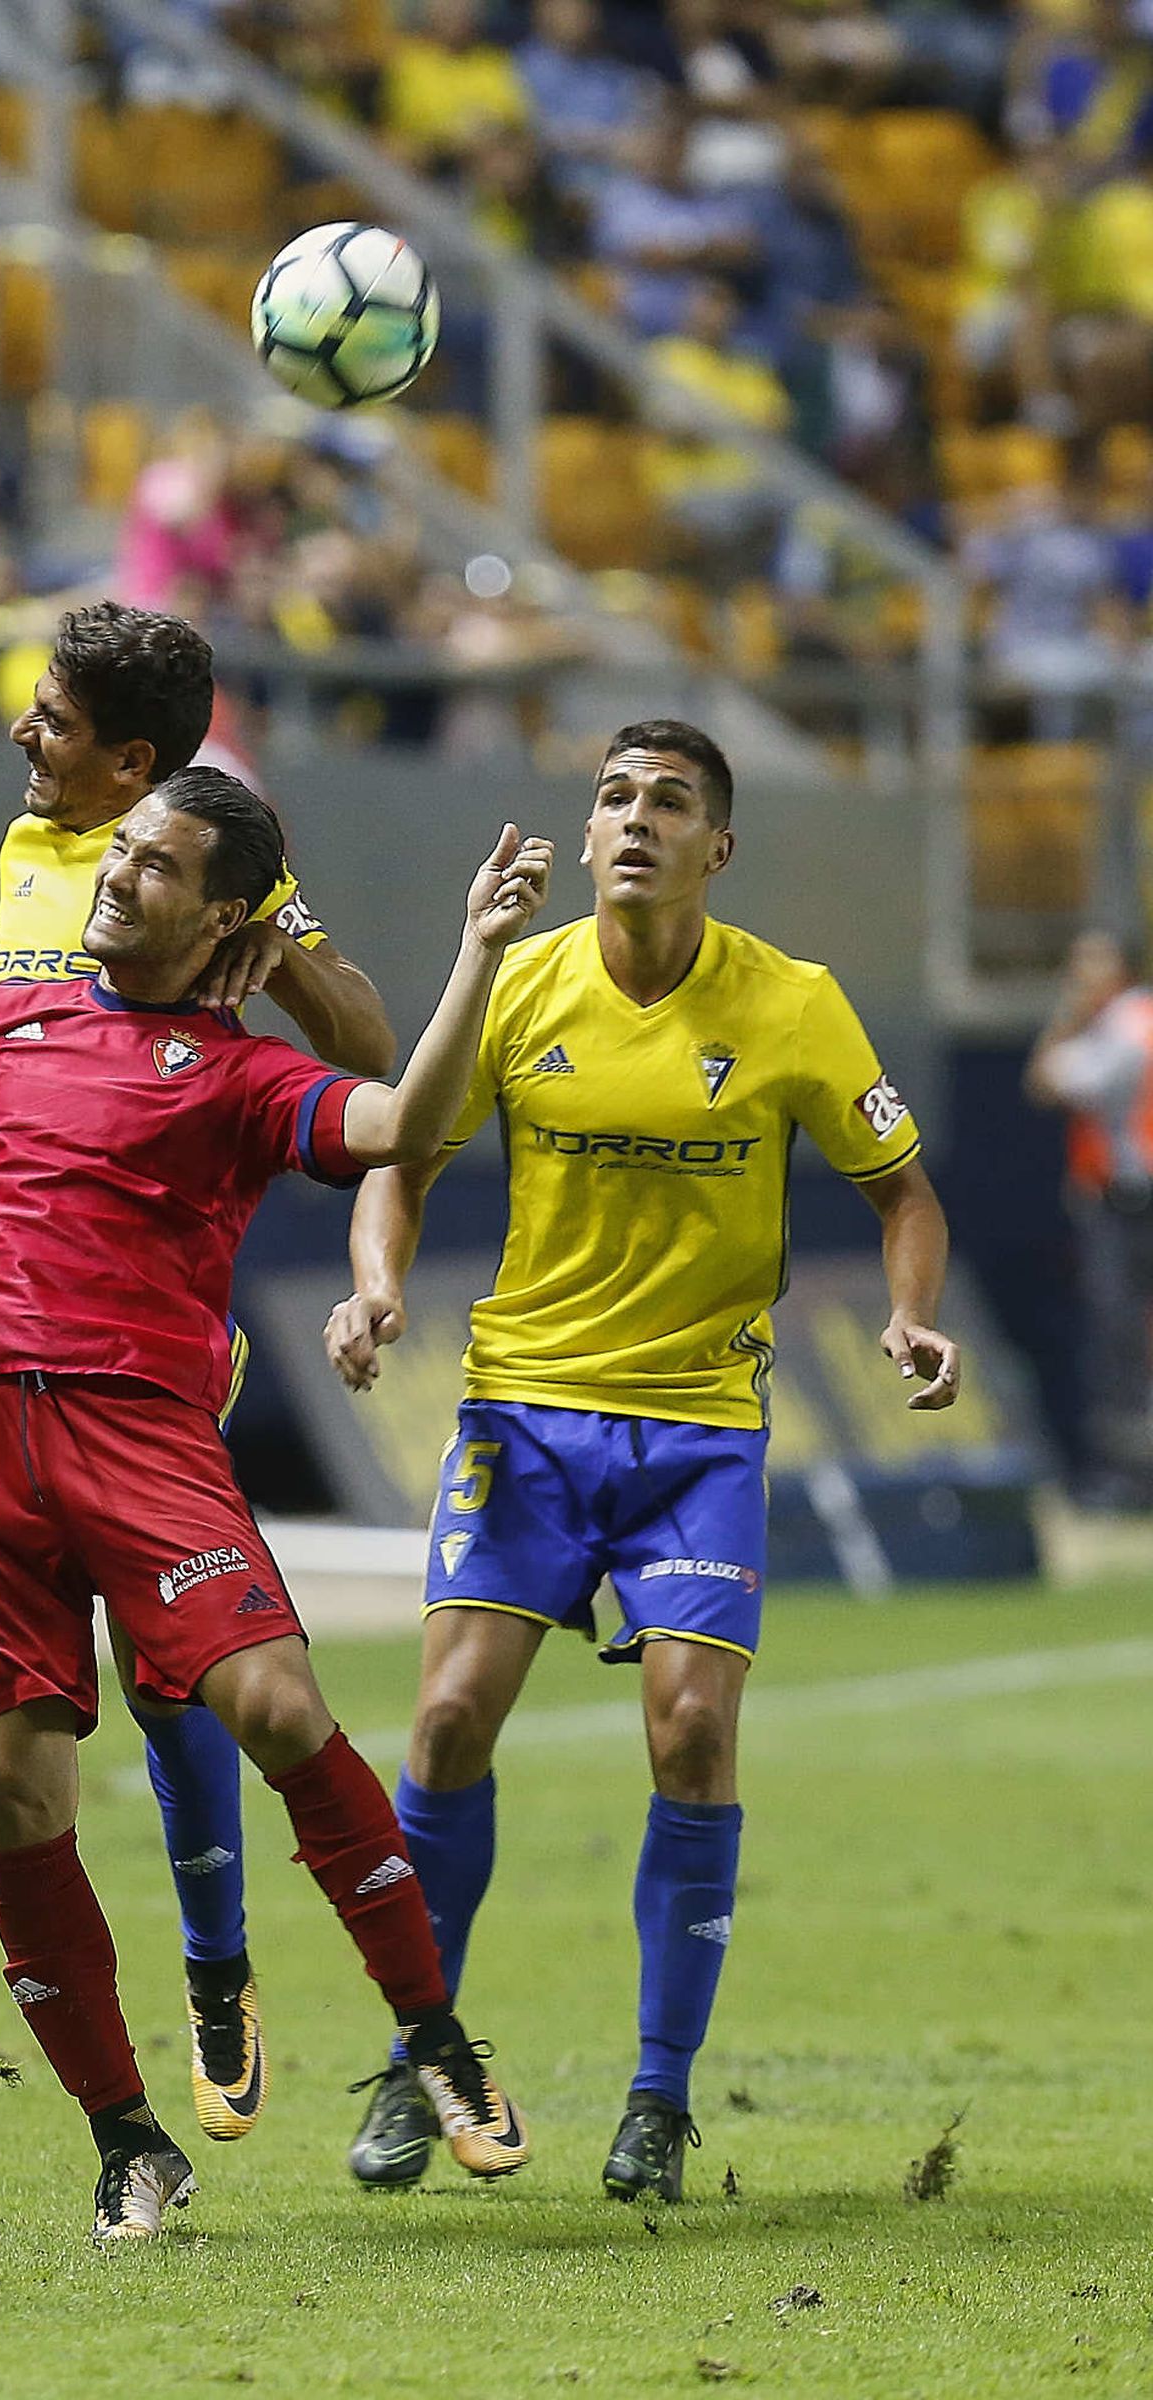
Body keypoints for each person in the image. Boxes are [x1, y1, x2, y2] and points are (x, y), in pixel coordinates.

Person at [0, 769, 550, 2239]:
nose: (118, 874)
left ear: (225, 918)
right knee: (17, 1801)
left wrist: (478, 953)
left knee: (273, 1708)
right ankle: (129, 2143)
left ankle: (435, 2036)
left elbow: (401, 1120)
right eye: (121, 850)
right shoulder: (2, 1021)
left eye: (156, 866)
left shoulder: (245, 1076)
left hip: (141, 1442)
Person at [324, 719, 962, 2203]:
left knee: (690, 1738)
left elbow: (905, 1193)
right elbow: (398, 1162)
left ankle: (658, 2102)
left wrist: (916, 1320)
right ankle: (428, 2060)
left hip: (696, 1428)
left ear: (715, 849)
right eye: (613, 795)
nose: (632, 819)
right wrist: (374, 1287)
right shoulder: (520, 982)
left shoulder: (793, 1005)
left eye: (668, 801)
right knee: (447, 1724)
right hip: (522, 1412)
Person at [0, 599, 394, 2153]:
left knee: (180, 1676)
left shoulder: (204, 862)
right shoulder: (34, 849)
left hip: (142, 1336)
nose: (23, 738)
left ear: (136, 764)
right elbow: (31, 1022)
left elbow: (366, 1049)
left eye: (52, 722)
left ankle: (218, 1968)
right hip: (14, 1306)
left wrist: (288, 956)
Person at [1024, 926, 1153, 1503]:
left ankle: (1126, 1479)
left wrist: (1069, 1015)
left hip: (1130, 1207)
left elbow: (1046, 1080)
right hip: (1123, 1202)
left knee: (1119, 1337)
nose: (1080, 977)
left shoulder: (1127, 1028)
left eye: (1091, 965)